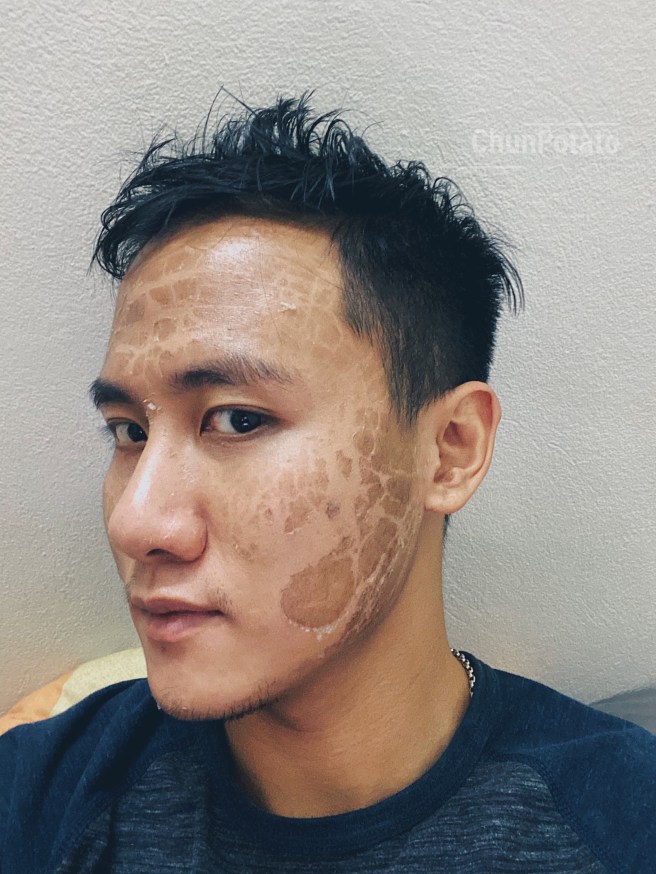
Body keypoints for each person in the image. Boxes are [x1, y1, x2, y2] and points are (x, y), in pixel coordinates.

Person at [0, 93, 654, 873]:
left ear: (449, 450)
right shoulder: (42, 800)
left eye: (238, 419)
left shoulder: (621, 821)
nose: (136, 522)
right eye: (129, 432)